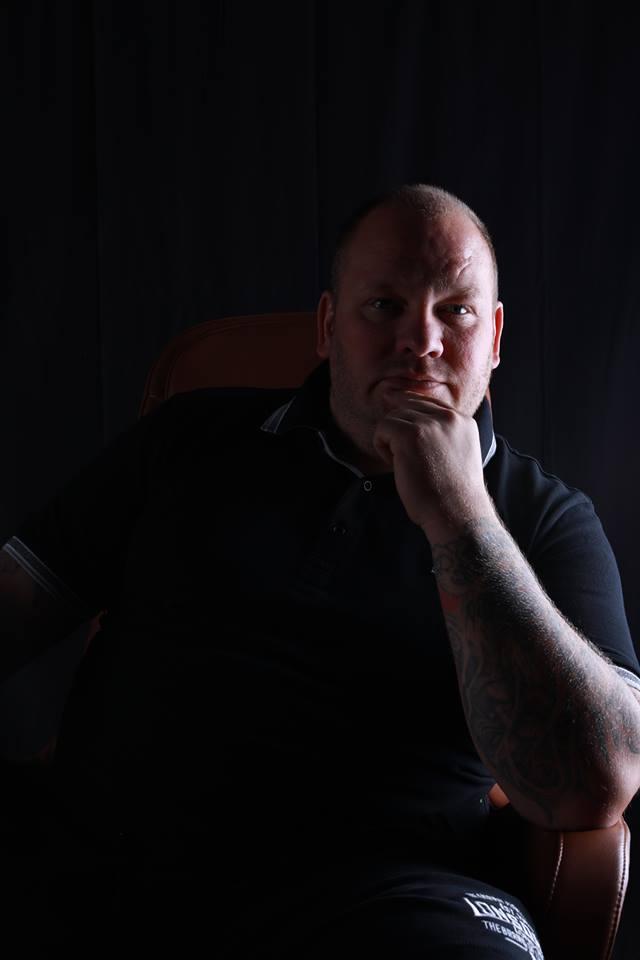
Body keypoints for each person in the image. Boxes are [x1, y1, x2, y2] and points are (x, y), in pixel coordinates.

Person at [1, 183, 639, 957]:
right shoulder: (187, 442)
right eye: (385, 306)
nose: (422, 342)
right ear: (329, 325)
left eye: (456, 311)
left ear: (496, 335)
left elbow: (595, 784)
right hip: (105, 862)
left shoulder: (548, 519)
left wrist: (462, 517)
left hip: (395, 893)